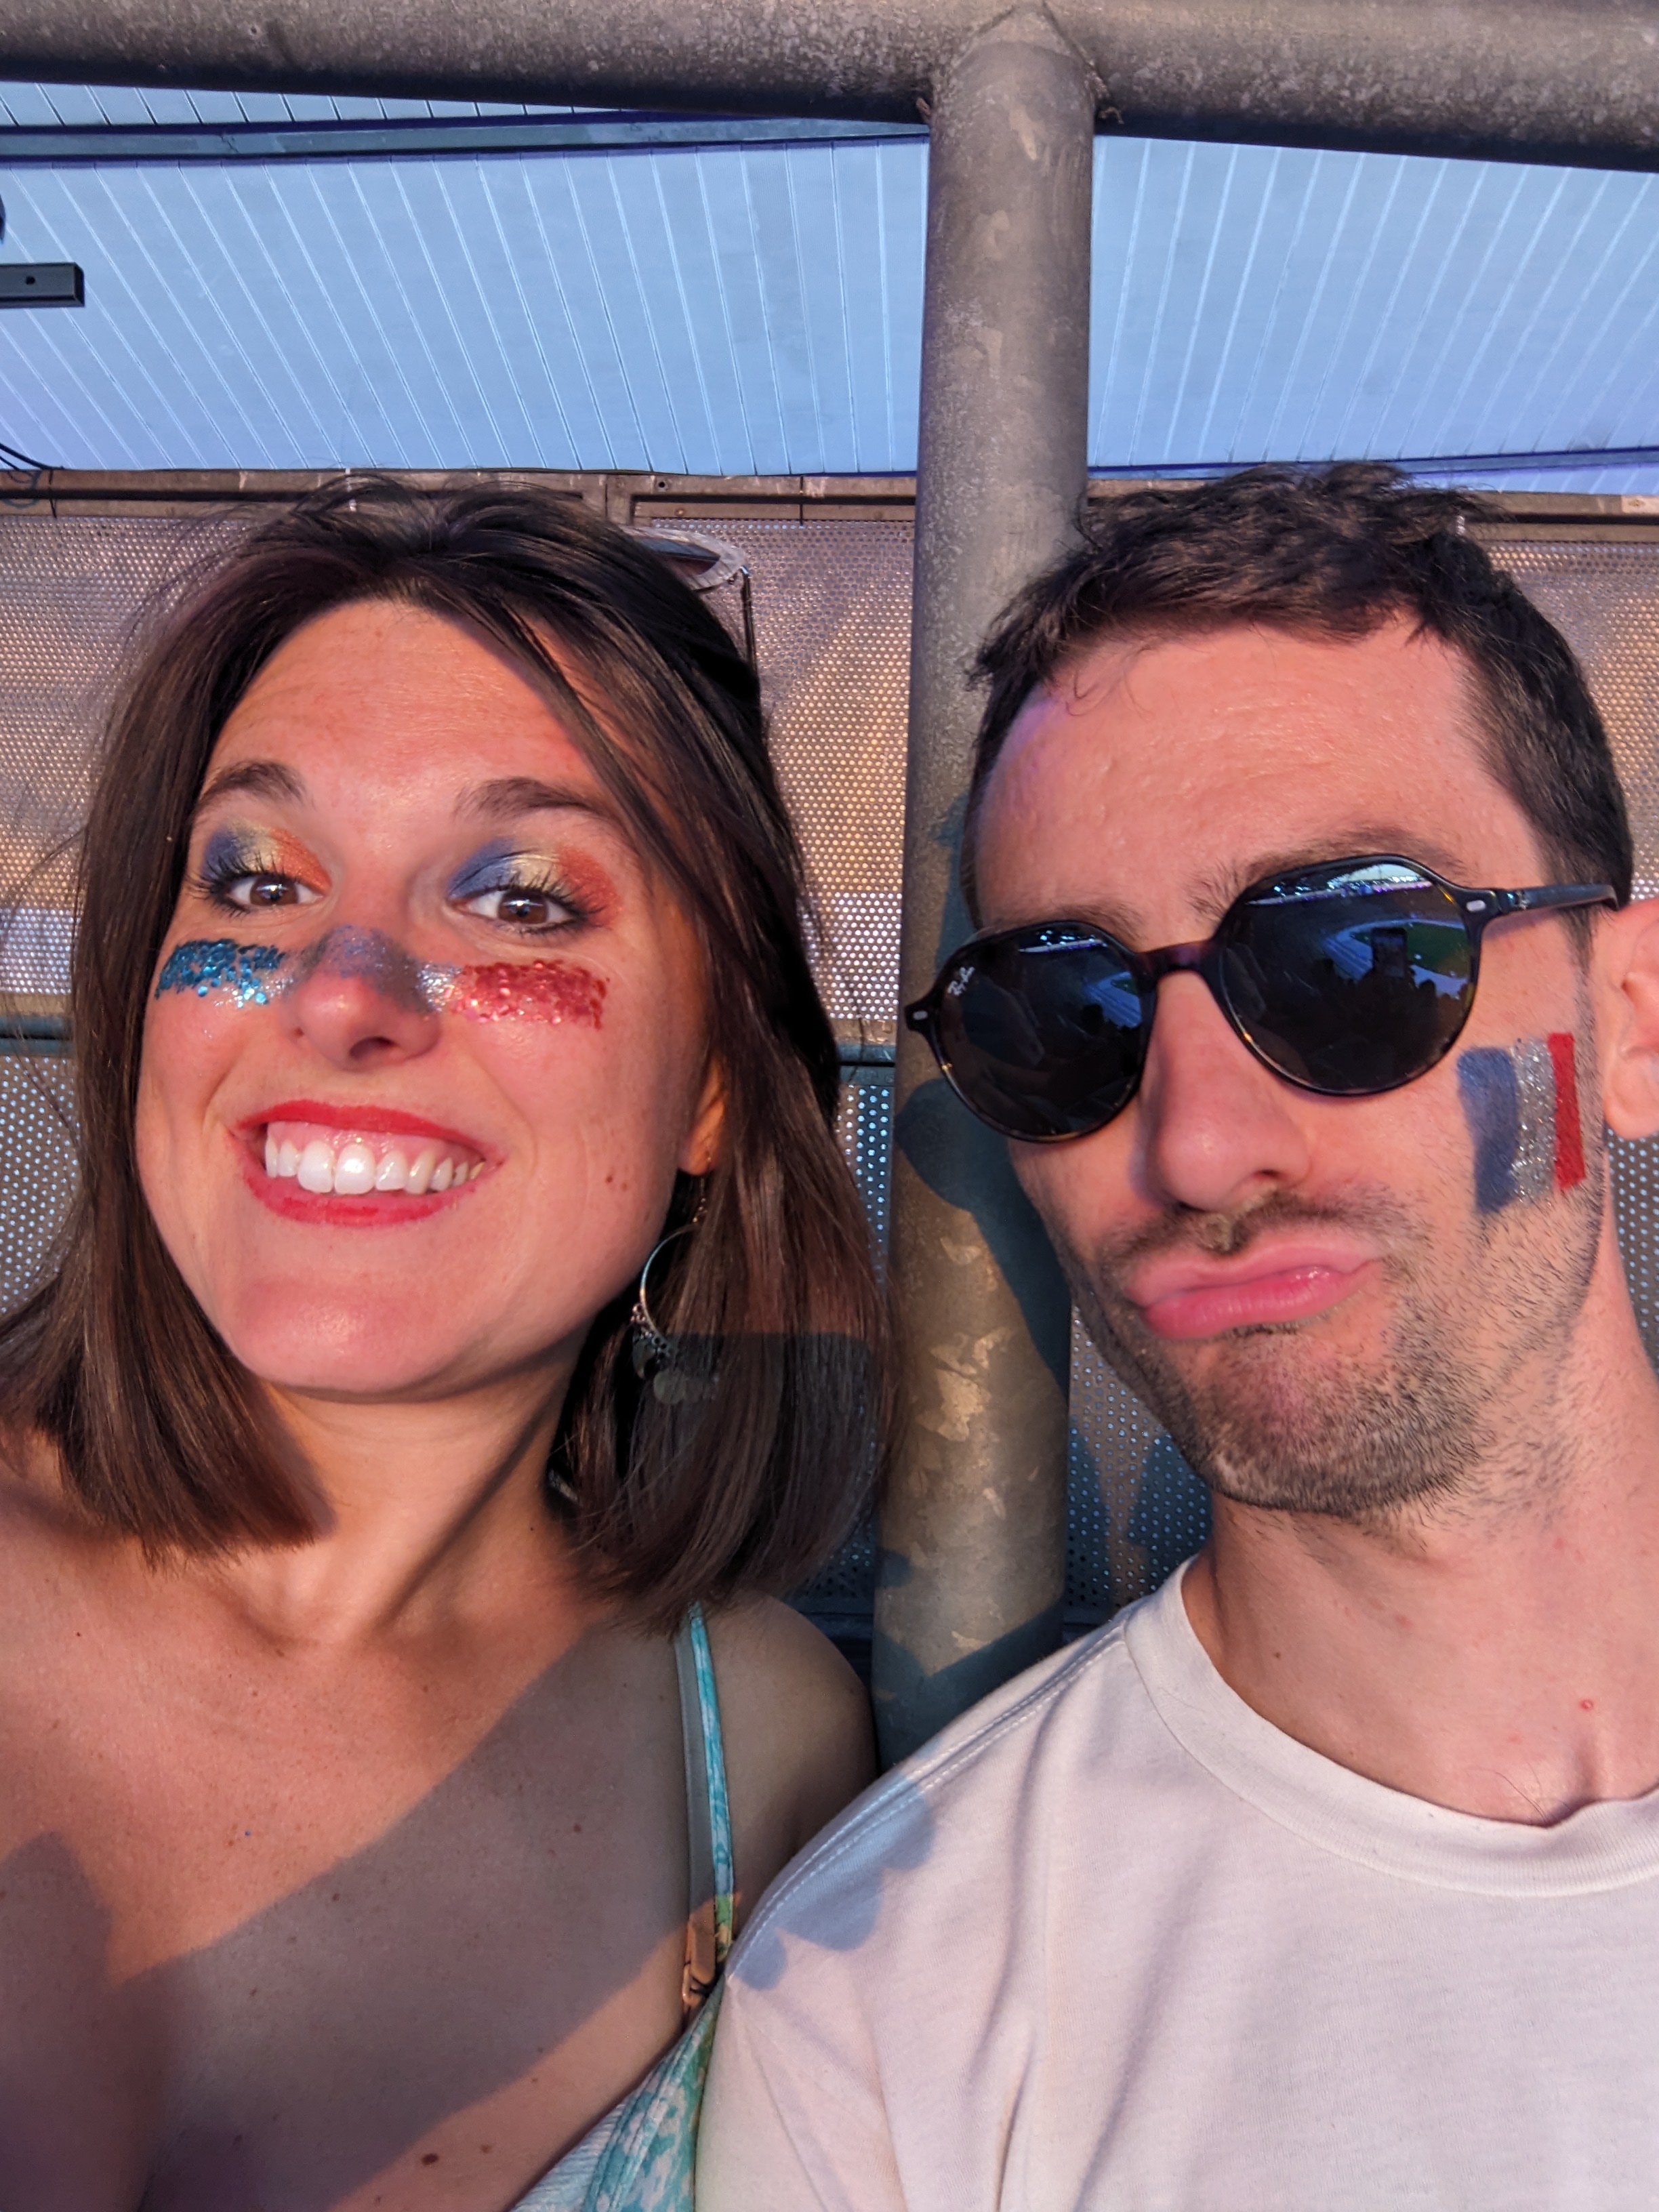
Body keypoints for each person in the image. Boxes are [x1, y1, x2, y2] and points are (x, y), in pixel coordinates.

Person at [698, 464, 1659, 2208]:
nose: (1197, 1145)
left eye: (1353, 956)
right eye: (1065, 1014)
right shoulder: (889, 2013)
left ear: (1633, 1016)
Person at [0, 477, 889, 2207]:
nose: (340, 991)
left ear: (714, 1088)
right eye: (255, 879)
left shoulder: (763, 1751)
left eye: (523, 901)